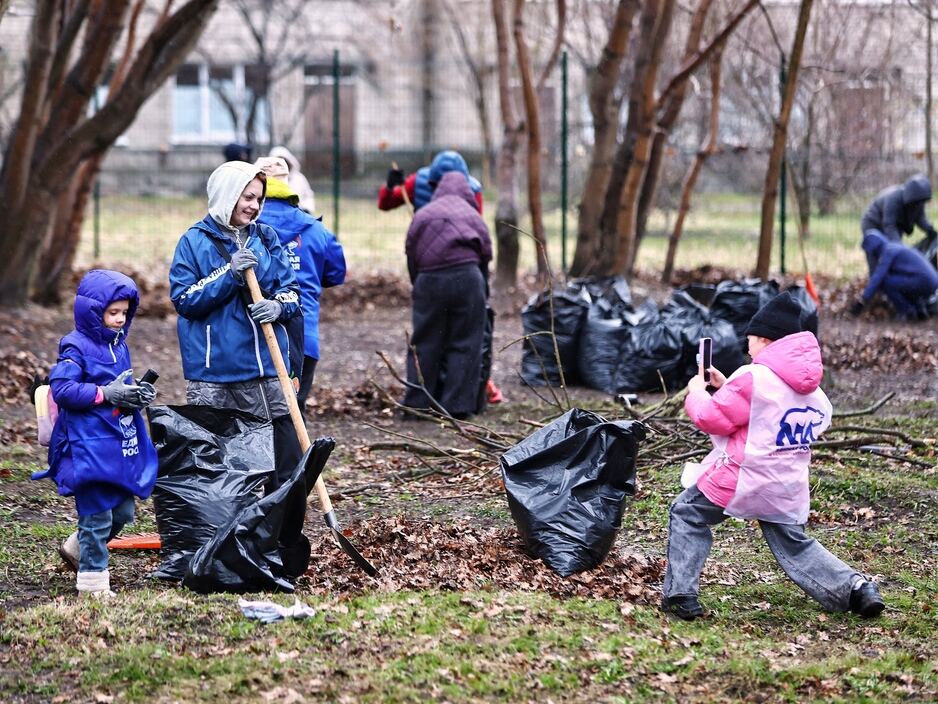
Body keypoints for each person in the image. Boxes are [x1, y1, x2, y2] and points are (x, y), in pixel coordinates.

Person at [662, 290, 885, 621]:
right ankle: (856, 589)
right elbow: (773, 417)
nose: (747, 346)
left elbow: (712, 417)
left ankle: (681, 594)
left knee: (687, 513)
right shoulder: (810, 387)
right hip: (787, 483)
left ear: (765, 339)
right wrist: (728, 388)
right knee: (794, 543)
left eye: (750, 339)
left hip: (743, 478)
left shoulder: (754, 377)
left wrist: (697, 393)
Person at [169, 161, 308, 562]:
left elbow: (292, 292)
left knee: (287, 462)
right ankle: (226, 547)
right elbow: (185, 301)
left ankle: (280, 542)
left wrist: (276, 307)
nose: (255, 206)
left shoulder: (266, 237)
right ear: (227, 194)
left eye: (259, 198)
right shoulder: (193, 241)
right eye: (248, 197)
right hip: (217, 375)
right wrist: (229, 274)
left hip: (269, 370)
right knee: (227, 469)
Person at [32, 270, 159, 597]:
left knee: (123, 511)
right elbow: (63, 389)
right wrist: (106, 394)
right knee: (97, 513)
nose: (119, 320)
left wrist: (135, 394)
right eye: (112, 313)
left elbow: (122, 385)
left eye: (124, 313)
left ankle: (76, 548)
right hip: (86, 444)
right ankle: (92, 584)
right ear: (93, 311)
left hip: (117, 441)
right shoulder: (75, 346)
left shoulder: (120, 346)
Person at [255, 156, 346, 414]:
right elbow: (337, 274)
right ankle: (297, 456)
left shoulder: (243, 226)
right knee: (294, 413)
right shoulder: (317, 231)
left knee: (255, 415)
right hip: (304, 339)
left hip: (253, 336)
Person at [402, 171, 492, 418]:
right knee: (466, 342)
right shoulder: (472, 215)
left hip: (429, 280)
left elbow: (411, 251)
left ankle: (417, 406)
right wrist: (482, 287)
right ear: (467, 192)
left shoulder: (423, 214)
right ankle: (458, 406)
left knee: (424, 343)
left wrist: (418, 282)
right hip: (468, 279)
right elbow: (485, 253)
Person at [850, 231, 938, 321]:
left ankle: (907, 312)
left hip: (922, 281)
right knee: (901, 282)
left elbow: (878, 277)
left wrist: (863, 299)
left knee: (886, 282)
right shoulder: (894, 246)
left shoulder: (888, 252)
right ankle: (920, 310)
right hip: (931, 281)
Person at [860, 174, 938, 272]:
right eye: (918, 203)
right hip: (873, 223)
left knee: (894, 254)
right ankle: (876, 280)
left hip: (895, 225)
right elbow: (889, 225)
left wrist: (930, 230)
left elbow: (920, 218)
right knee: (875, 252)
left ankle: (893, 277)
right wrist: (900, 248)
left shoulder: (916, 202)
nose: (920, 206)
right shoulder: (893, 198)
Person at [379, 149, 484, 213]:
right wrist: (389, 187)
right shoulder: (418, 182)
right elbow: (385, 205)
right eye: (437, 185)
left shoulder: (474, 192)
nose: (444, 190)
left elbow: (477, 231)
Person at [268, 146, 316, 215]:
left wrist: (307, 209)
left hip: (299, 214)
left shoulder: (299, 178)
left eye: (284, 161)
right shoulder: (267, 180)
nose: (282, 165)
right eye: (278, 163)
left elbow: (308, 195)